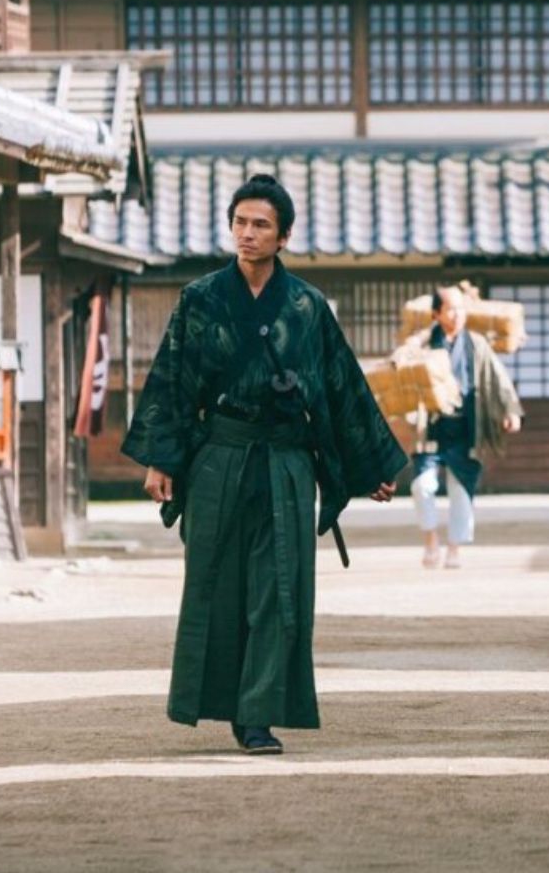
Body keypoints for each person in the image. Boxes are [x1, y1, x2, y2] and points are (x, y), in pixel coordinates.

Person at [125, 174, 406, 755]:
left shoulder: (306, 307)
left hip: (284, 460)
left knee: (280, 586)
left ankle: (258, 715)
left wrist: (367, 464)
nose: (247, 234)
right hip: (218, 457)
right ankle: (225, 705)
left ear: (284, 238)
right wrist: (161, 459)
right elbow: (173, 379)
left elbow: (341, 386)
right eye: (240, 223)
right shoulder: (200, 299)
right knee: (217, 584)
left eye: (261, 226)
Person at [402, 286, 524, 570]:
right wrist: (413, 342)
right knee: (422, 487)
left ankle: (454, 547)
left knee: (461, 490)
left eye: (461, 308)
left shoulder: (476, 343)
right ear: (436, 314)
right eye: (450, 309)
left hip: (466, 426)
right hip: (430, 426)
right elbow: (401, 364)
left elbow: (498, 378)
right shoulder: (424, 343)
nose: (457, 315)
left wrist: (510, 410)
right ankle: (431, 539)